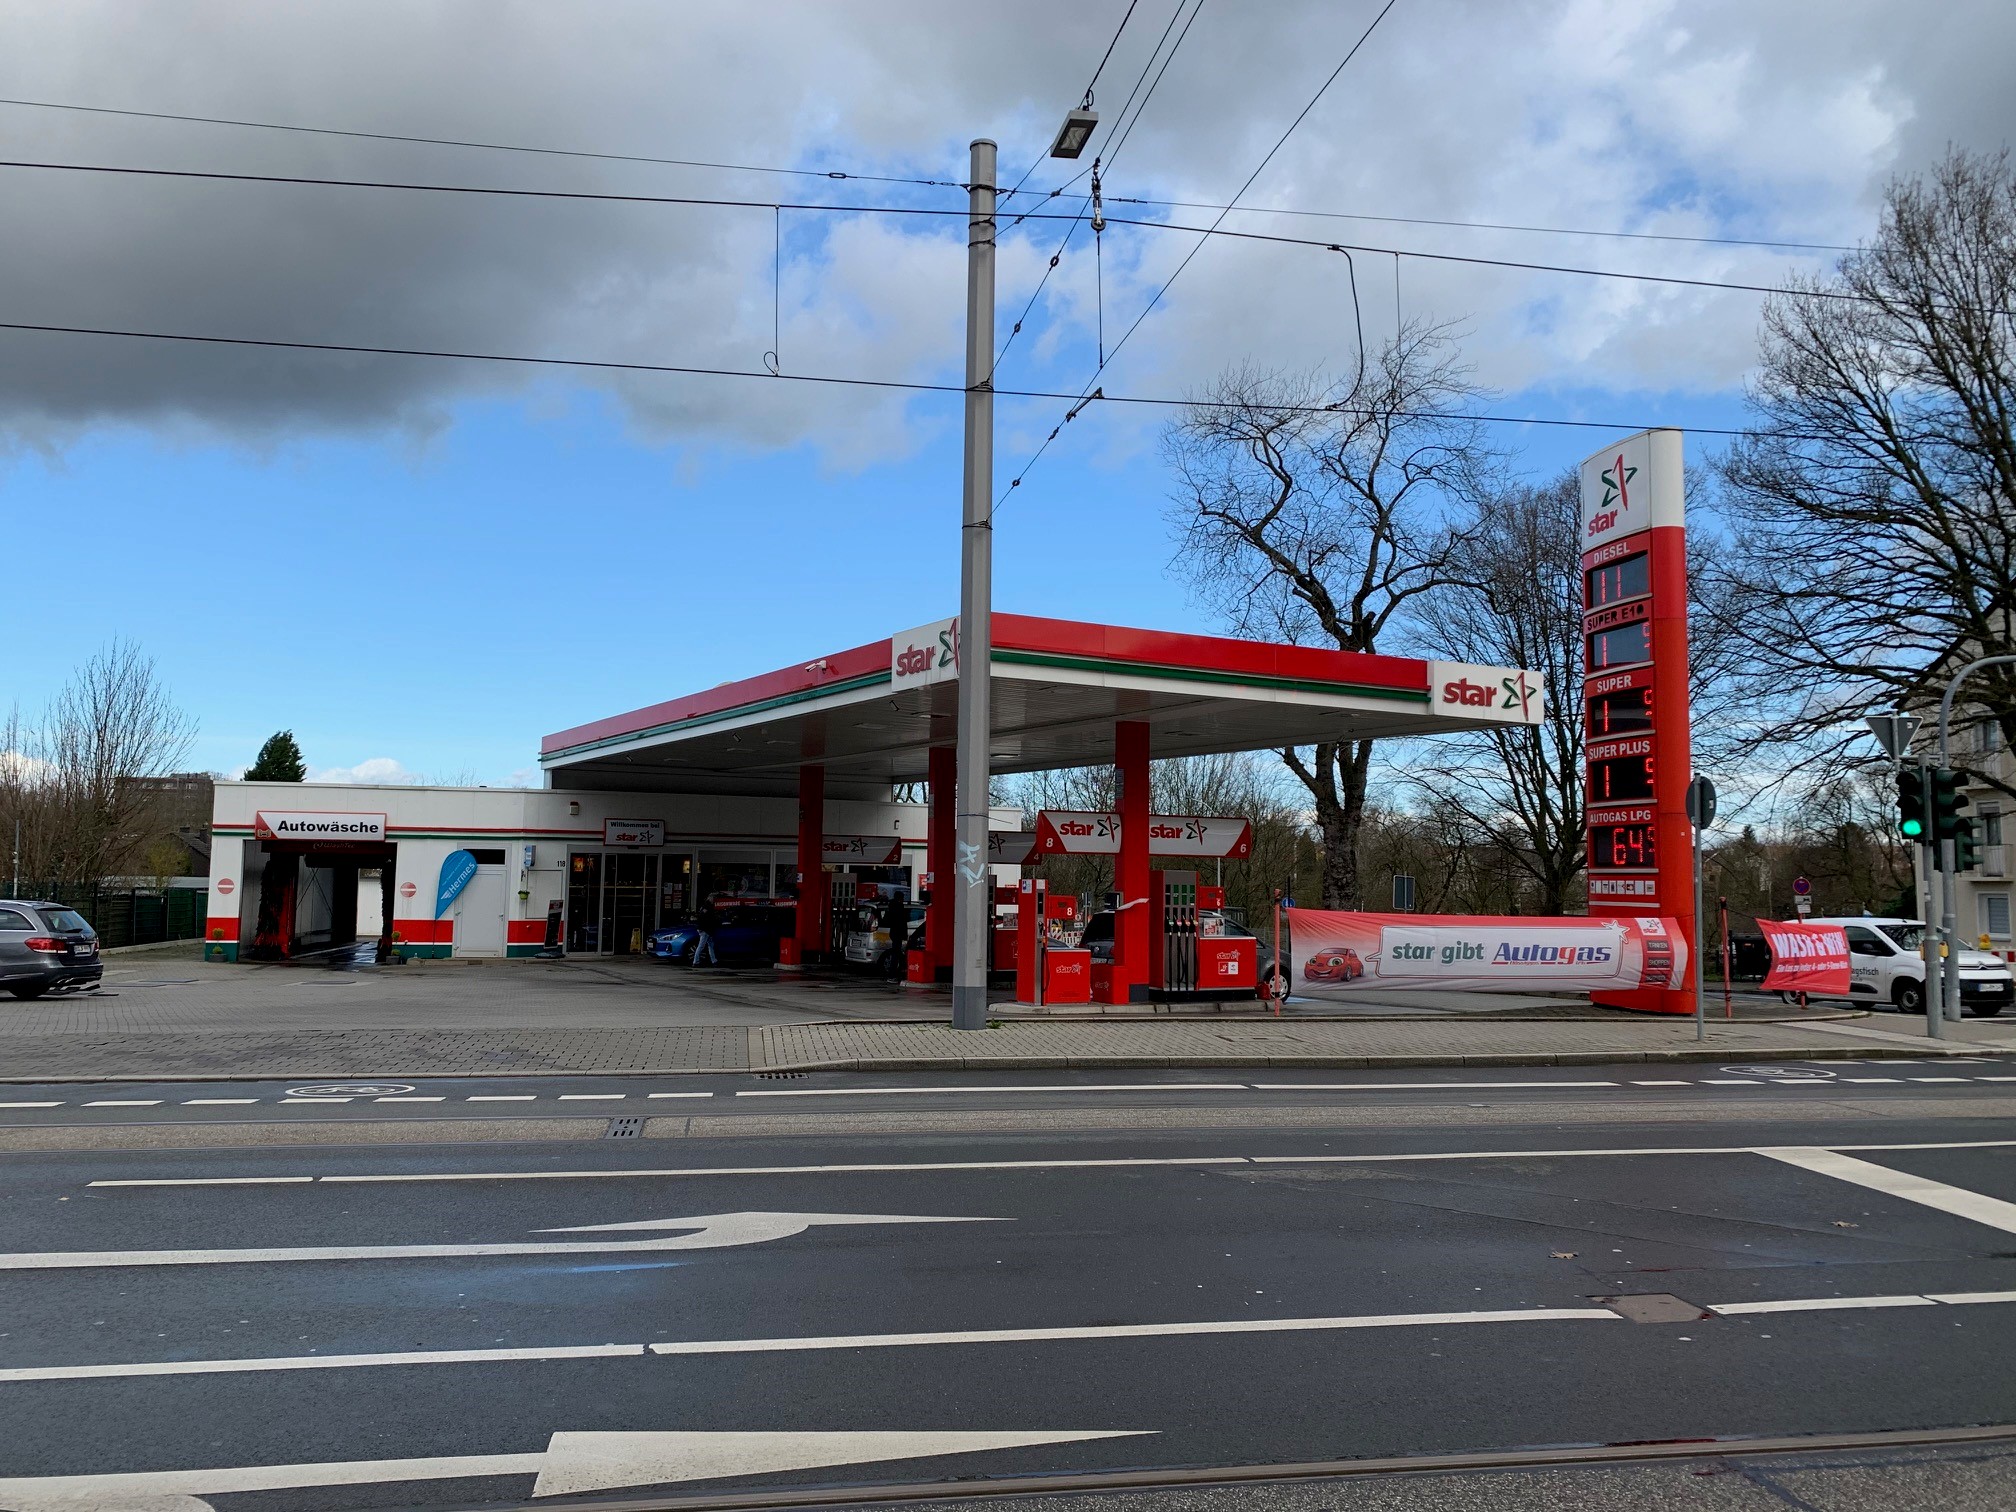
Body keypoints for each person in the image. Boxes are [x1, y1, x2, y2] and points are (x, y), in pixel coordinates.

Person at [882, 891, 910, 981]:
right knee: (896, 954)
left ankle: (899, 970)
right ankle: (892, 975)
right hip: (898, 933)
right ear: (900, 898)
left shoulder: (891, 907)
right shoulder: (899, 908)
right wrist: (904, 935)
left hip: (894, 933)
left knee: (897, 953)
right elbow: (902, 922)